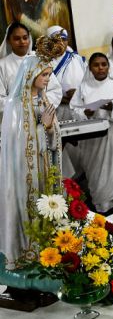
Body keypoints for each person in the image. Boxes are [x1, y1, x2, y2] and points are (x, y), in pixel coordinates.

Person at [0, 35, 64, 262]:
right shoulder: (15, 106)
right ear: (30, 74)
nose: (47, 79)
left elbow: (54, 137)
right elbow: (17, 142)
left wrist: (50, 129)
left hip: (44, 167)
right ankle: (26, 249)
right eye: (43, 75)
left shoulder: (44, 100)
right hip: (24, 173)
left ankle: (47, 245)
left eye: (49, 74)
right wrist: (42, 127)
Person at [69, 52, 113, 214]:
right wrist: (86, 113)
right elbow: (74, 110)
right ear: (90, 68)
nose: (100, 68)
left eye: (104, 64)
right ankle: (103, 208)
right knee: (98, 176)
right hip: (92, 140)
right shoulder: (83, 87)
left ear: (108, 67)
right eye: (96, 65)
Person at [0, 22, 33, 116]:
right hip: (13, 117)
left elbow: (54, 90)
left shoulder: (39, 61)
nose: (22, 41)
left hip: (41, 116)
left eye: (25, 38)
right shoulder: (2, 65)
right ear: (8, 41)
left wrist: (39, 104)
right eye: (17, 39)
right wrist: (23, 104)